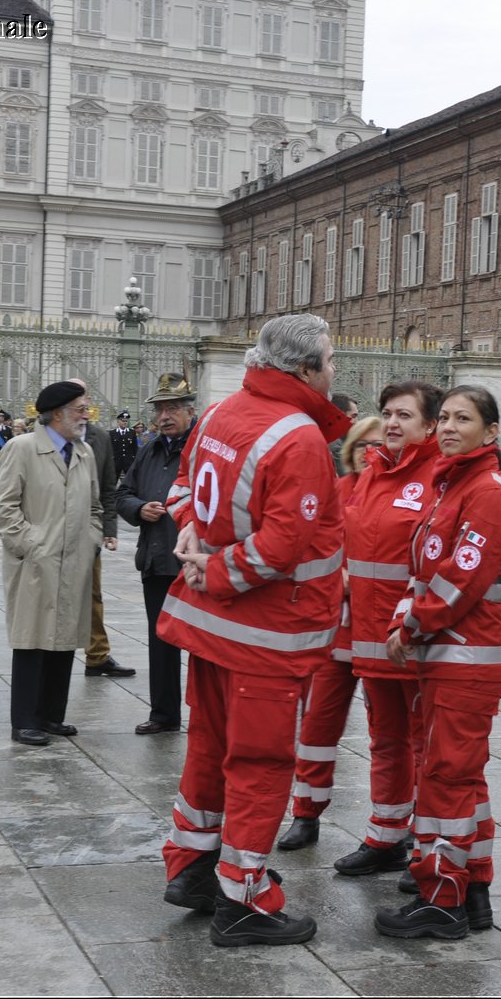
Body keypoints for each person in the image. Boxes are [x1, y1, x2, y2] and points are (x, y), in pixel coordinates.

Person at [157, 313, 349, 948]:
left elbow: (184, 486)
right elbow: (282, 546)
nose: (334, 372)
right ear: (303, 369)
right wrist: (219, 569)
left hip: (211, 625)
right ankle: (243, 899)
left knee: (209, 746)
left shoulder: (220, 411)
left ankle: (191, 867)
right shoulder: (298, 438)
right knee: (261, 763)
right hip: (267, 631)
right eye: (329, 362)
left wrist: (193, 533)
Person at [376, 384, 501, 940]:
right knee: (462, 776)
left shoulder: (486, 491)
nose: (449, 427)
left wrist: (411, 626)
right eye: (444, 418)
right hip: (446, 653)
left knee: (444, 778)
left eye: (464, 419)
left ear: (490, 433)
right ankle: (474, 887)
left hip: (467, 656)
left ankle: (442, 897)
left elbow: (460, 579)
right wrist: (403, 618)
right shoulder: (451, 484)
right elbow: (422, 569)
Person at [312, 380, 443, 880]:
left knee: (424, 748)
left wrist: (412, 626)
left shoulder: (438, 477)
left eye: (405, 416)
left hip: (413, 640)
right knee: (385, 740)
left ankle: (427, 848)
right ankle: (386, 835)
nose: (391, 423)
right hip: (369, 641)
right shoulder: (371, 474)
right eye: (387, 413)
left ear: (431, 426)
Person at [275, 414, 380, 852]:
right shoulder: (336, 492)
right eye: (362, 446)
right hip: (335, 629)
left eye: (378, 446)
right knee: (317, 725)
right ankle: (306, 812)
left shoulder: (404, 492)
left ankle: (396, 821)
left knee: (389, 733)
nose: (370, 454)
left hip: (380, 633)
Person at [0, 381, 103, 743]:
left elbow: (96, 507)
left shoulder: (83, 452)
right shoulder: (21, 448)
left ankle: (52, 715)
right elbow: (3, 509)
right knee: (32, 639)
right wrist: (32, 544)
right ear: (58, 414)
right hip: (35, 562)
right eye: (80, 409)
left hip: (75, 559)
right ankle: (25, 720)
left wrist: (92, 538)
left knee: (64, 638)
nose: (87, 415)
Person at [113, 374, 197, 735]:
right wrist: (138, 509)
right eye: (160, 408)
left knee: (203, 643)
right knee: (161, 639)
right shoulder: (149, 449)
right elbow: (122, 494)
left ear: (190, 411)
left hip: (194, 562)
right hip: (156, 557)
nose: (165, 415)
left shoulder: (203, 446)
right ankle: (164, 713)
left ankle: (207, 714)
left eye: (173, 408)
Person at [75, 391, 133, 680]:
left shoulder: (100, 437)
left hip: (89, 528)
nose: (84, 412)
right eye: (78, 407)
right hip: (50, 530)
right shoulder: (44, 437)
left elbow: (109, 486)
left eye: (86, 407)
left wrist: (109, 530)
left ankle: (97, 655)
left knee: (93, 594)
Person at [110, 410, 139, 477]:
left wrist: (135, 460)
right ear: (118, 421)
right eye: (123, 421)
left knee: (130, 481)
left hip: (128, 462)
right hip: (116, 462)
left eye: (126, 421)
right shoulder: (113, 433)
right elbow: (110, 448)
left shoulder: (132, 433)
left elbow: (135, 448)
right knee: (113, 481)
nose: (125, 422)